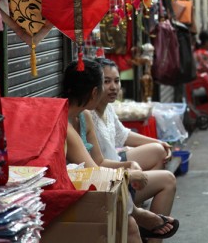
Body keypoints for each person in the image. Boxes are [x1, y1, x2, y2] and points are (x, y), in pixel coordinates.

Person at [62, 59, 178, 243]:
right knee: (130, 224)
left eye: (116, 81)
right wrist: (129, 175)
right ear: (94, 92)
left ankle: (137, 212)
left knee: (129, 219)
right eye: (105, 83)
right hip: (75, 190)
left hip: (94, 182)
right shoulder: (65, 122)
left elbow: (100, 161)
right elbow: (93, 171)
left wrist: (128, 165)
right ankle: (138, 213)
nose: (111, 87)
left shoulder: (83, 116)